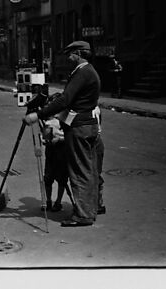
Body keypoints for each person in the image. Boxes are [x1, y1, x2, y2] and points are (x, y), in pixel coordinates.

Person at [24, 40, 102, 227]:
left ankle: (82, 215)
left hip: (79, 127)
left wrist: (39, 114)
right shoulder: (89, 71)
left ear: (79, 54)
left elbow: (65, 100)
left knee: (79, 171)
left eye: (71, 54)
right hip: (88, 125)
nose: (68, 57)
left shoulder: (82, 73)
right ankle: (89, 210)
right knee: (89, 170)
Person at [39, 95, 69, 212]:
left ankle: (58, 201)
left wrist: (60, 139)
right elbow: (45, 136)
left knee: (62, 179)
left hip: (62, 152)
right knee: (48, 178)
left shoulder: (66, 118)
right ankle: (48, 200)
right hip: (50, 153)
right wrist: (45, 140)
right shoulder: (48, 121)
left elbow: (71, 136)